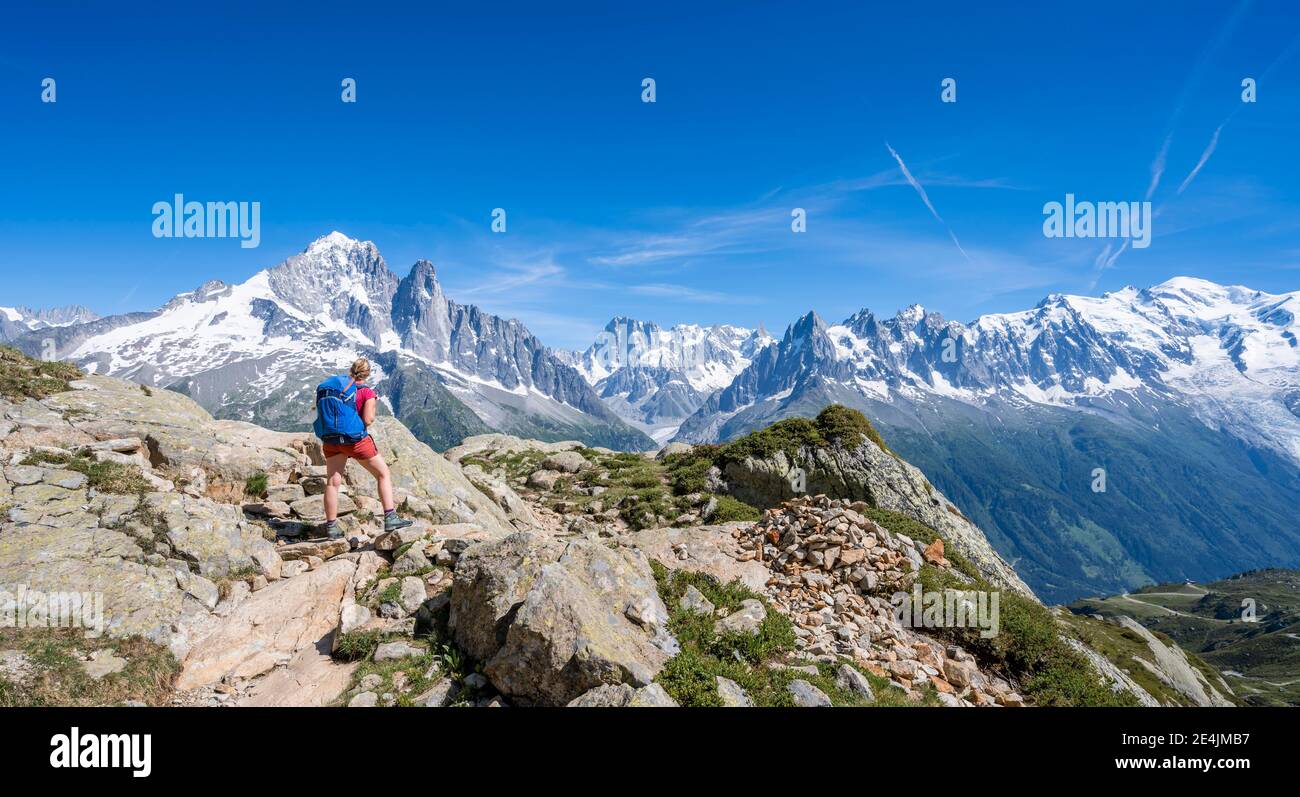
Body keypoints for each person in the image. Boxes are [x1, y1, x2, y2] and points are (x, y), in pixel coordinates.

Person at [318, 358, 413, 538]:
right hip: (355, 442)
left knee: (332, 481)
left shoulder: (338, 389)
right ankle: (390, 517)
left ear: (351, 370)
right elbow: (368, 419)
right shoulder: (366, 392)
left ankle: (331, 527)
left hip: (331, 440)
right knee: (383, 474)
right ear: (367, 374)